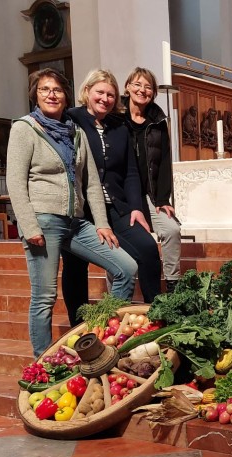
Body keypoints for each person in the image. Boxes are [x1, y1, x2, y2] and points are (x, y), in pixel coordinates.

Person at [6, 68, 137, 356]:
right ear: (35, 95)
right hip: (43, 220)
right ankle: (42, 363)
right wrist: (29, 227)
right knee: (44, 297)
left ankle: (103, 338)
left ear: (66, 96)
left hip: (76, 222)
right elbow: (15, 181)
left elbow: (90, 182)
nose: (51, 95)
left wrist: (102, 223)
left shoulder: (75, 132)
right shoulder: (24, 128)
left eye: (57, 90)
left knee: (126, 268)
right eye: (44, 90)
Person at [62, 69, 162, 325]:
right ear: (87, 92)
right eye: (100, 92)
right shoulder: (72, 118)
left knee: (148, 248)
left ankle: (156, 312)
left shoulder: (119, 126)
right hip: (82, 209)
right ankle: (78, 326)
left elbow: (129, 171)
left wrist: (136, 208)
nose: (105, 98)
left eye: (110, 94)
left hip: (117, 206)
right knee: (75, 266)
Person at [122, 67, 181, 293]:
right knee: (125, 238)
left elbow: (165, 161)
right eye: (137, 84)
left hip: (150, 193)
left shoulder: (158, 122)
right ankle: (119, 295)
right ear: (127, 87)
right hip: (124, 193)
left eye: (148, 87)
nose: (142, 90)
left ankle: (173, 283)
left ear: (154, 93)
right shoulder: (115, 118)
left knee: (171, 230)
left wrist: (163, 198)